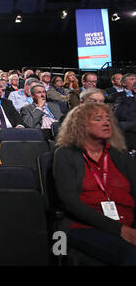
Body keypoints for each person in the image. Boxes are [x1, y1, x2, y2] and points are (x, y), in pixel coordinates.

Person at [54, 102, 136, 265]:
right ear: (80, 125)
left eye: (108, 118)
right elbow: (70, 202)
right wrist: (120, 230)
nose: (106, 122)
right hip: (84, 227)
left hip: (127, 222)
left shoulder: (120, 154)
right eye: (98, 119)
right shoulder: (65, 154)